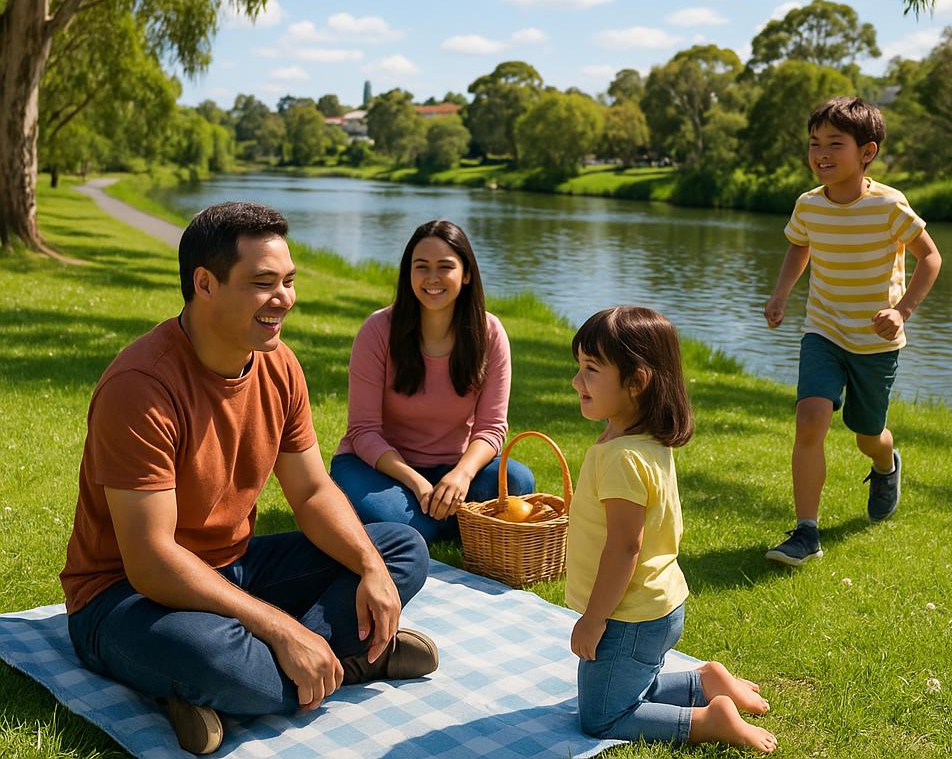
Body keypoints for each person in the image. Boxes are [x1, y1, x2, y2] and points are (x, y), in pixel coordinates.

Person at [60, 203, 438, 756]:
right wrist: (283, 630)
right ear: (205, 284)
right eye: (263, 283)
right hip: (122, 597)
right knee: (217, 658)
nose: (284, 298)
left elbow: (310, 492)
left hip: (233, 570)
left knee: (400, 548)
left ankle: (252, 681)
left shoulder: (279, 365)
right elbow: (151, 561)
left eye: (288, 281)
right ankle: (335, 664)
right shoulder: (140, 387)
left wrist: (370, 568)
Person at [567, 306, 778, 754]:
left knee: (602, 715)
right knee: (624, 684)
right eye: (578, 368)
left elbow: (625, 547)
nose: (576, 381)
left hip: (626, 616)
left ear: (636, 381)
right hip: (657, 606)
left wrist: (593, 619)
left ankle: (710, 719)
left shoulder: (622, 457)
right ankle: (707, 681)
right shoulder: (642, 442)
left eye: (590, 369)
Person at [763, 97, 942, 567]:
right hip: (822, 330)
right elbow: (798, 248)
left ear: (867, 151)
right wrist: (781, 294)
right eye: (814, 144)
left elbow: (931, 257)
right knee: (810, 419)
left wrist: (902, 312)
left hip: (875, 342)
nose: (821, 153)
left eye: (834, 144)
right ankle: (806, 533)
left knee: (867, 433)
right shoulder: (809, 205)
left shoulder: (888, 205)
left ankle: (886, 464)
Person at [331, 219, 534, 543]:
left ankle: (444, 514)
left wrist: (461, 476)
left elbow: (492, 429)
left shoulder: (490, 333)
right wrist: (415, 482)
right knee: (414, 529)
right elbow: (363, 431)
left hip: (453, 467)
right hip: (376, 467)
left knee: (518, 480)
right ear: (408, 272)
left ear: (466, 274)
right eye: (421, 266)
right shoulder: (378, 330)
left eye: (445, 267)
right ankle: (447, 521)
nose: (432, 278)